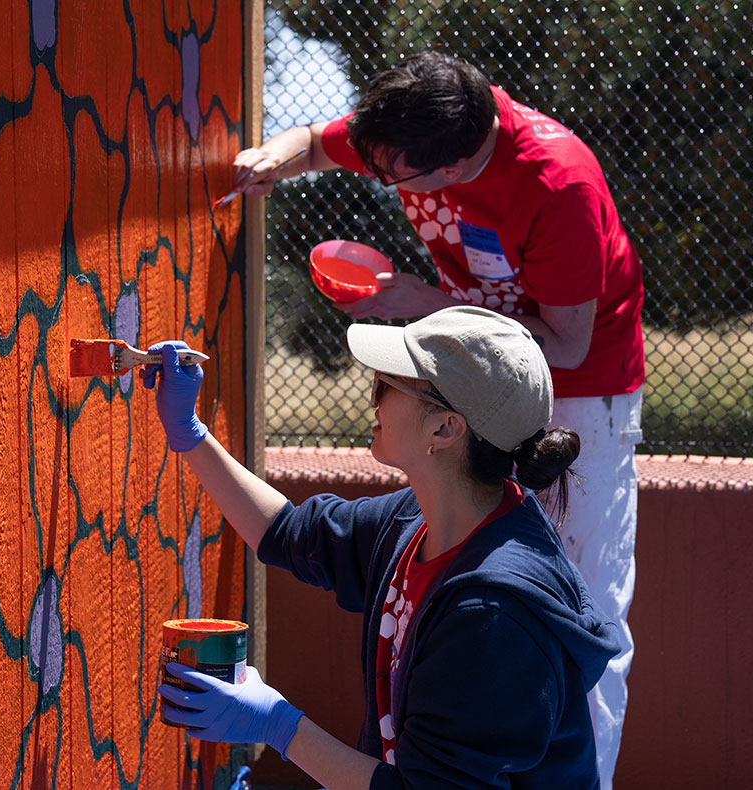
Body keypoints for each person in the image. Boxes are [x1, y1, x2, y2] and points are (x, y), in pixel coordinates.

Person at [231, 50, 644, 785]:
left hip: (578, 388)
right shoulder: (418, 124)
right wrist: (271, 158)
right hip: (471, 363)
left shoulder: (556, 184)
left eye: (392, 179)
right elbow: (317, 144)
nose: (381, 181)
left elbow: (566, 342)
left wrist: (420, 305)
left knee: (580, 616)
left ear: (452, 168)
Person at [143, 306, 621, 790]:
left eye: (388, 384)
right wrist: (189, 433)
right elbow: (288, 533)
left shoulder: (491, 615)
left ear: (444, 429)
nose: (373, 396)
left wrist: (278, 725)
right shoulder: (420, 518)